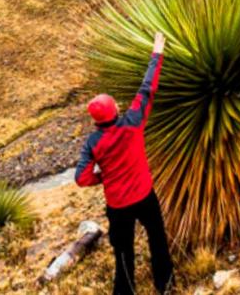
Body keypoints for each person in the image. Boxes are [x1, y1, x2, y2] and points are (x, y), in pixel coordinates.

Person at [75, 32, 173, 295]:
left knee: (122, 250)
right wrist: (157, 51)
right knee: (157, 238)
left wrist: (103, 177)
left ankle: (126, 291)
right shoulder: (132, 123)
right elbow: (147, 88)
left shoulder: (92, 143)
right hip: (144, 194)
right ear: (115, 111)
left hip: (118, 205)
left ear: (96, 120)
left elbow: (81, 178)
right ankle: (165, 284)